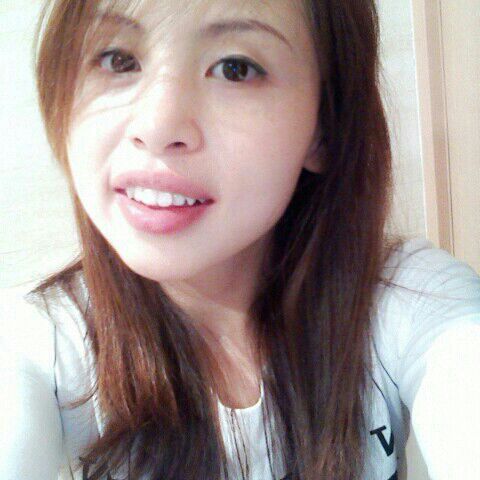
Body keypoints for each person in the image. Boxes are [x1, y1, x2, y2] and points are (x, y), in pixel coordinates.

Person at [1, 0, 479, 479]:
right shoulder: (39, 344)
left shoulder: (411, 300)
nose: (157, 126)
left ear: (324, 128)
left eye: (236, 68)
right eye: (118, 59)